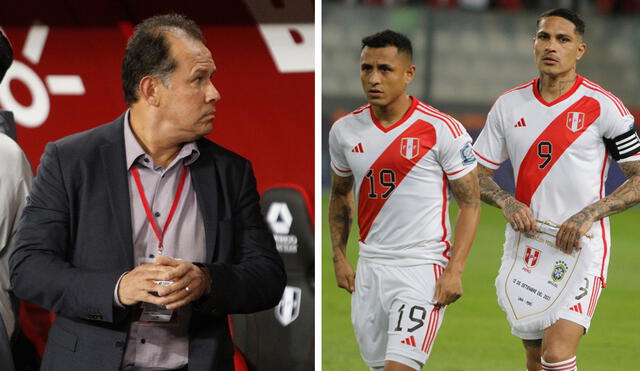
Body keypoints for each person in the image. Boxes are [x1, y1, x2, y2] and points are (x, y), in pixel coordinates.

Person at [10, 14, 286, 370]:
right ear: (151, 90)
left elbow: (267, 276)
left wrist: (206, 281)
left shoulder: (231, 172)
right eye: (199, 79)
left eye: (211, 78)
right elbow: (28, 268)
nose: (214, 93)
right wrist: (117, 287)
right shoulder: (70, 160)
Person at [473, 8, 640, 371]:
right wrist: (506, 201)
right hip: (528, 242)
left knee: (557, 354)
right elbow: (473, 176)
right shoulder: (508, 105)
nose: (552, 46)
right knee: (535, 355)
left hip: (583, 245)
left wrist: (589, 213)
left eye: (563, 39)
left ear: (580, 50)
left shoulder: (602, 106)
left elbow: (639, 176)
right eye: (544, 37)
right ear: (533, 44)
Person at [328, 30, 480, 371]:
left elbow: (470, 203)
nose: (373, 78)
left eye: (385, 69)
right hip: (370, 268)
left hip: (421, 267)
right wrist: (339, 257)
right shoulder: (344, 131)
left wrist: (455, 270)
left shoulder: (441, 130)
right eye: (366, 68)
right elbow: (339, 194)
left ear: (408, 74)